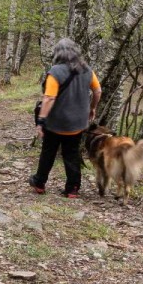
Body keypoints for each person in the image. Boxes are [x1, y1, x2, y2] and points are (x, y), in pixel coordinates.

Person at [30, 37, 101, 197]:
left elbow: (49, 98)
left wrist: (41, 120)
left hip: (56, 122)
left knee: (48, 152)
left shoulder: (55, 71)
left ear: (57, 54)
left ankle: (39, 183)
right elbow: (97, 91)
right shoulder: (87, 70)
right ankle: (73, 189)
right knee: (72, 153)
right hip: (77, 123)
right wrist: (93, 108)